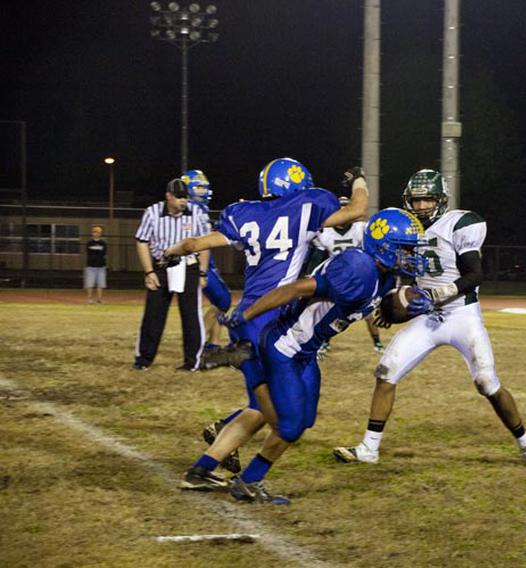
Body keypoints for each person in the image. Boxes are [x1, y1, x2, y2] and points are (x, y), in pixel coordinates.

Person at [202, 208, 430, 504]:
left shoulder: (383, 275)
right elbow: (295, 289)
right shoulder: (357, 268)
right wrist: (245, 315)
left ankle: (232, 474)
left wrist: (397, 309)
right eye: (406, 249)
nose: (411, 256)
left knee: (303, 421)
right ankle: (247, 477)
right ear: (383, 245)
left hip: (307, 352)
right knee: (289, 425)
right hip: (286, 346)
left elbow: (371, 304)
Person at [165, 159, 369, 485]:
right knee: (287, 421)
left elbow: (192, 245)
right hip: (271, 318)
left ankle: (202, 468)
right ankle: (249, 476)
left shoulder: (243, 212)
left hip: (246, 314)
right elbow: (358, 210)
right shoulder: (306, 206)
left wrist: (170, 252)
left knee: (258, 408)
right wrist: (358, 180)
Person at [333, 169, 526, 468]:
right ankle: (368, 448)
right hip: (427, 315)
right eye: (417, 200)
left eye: (428, 200)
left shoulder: (459, 223)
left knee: (487, 383)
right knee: (386, 372)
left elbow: (476, 274)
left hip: (461, 313)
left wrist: (440, 293)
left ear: (441, 199)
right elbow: (397, 270)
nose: (421, 206)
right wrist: (394, 300)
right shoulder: (406, 228)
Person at [133, 178, 210, 371]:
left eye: (185, 197)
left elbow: (205, 244)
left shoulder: (196, 213)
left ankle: (192, 362)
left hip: (188, 266)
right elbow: (142, 241)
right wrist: (149, 271)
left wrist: (202, 272)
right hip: (162, 267)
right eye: (179, 197)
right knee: (153, 315)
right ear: (168, 196)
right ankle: (143, 360)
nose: (183, 201)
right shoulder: (152, 212)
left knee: (191, 315)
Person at [310, 197, 385, 356]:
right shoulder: (325, 232)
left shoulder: (360, 229)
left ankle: (377, 342)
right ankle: (323, 342)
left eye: (346, 209)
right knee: (326, 314)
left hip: (358, 279)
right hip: (334, 280)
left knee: (368, 312)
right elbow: (317, 257)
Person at [181, 169, 233, 349]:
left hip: (205, 261)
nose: (203, 191)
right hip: (198, 262)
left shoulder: (197, 209)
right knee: (223, 300)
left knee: (219, 302)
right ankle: (197, 341)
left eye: (205, 187)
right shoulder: (191, 209)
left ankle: (214, 344)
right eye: (199, 187)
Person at [84, 225, 107, 304]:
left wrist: (95, 251)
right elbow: (89, 253)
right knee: (90, 283)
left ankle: (99, 299)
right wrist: (97, 251)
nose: (97, 234)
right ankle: (89, 299)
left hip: (101, 266)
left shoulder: (103, 243)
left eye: (98, 232)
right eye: (95, 232)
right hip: (91, 266)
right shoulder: (89, 243)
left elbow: (104, 253)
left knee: (100, 284)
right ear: (92, 233)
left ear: (100, 233)